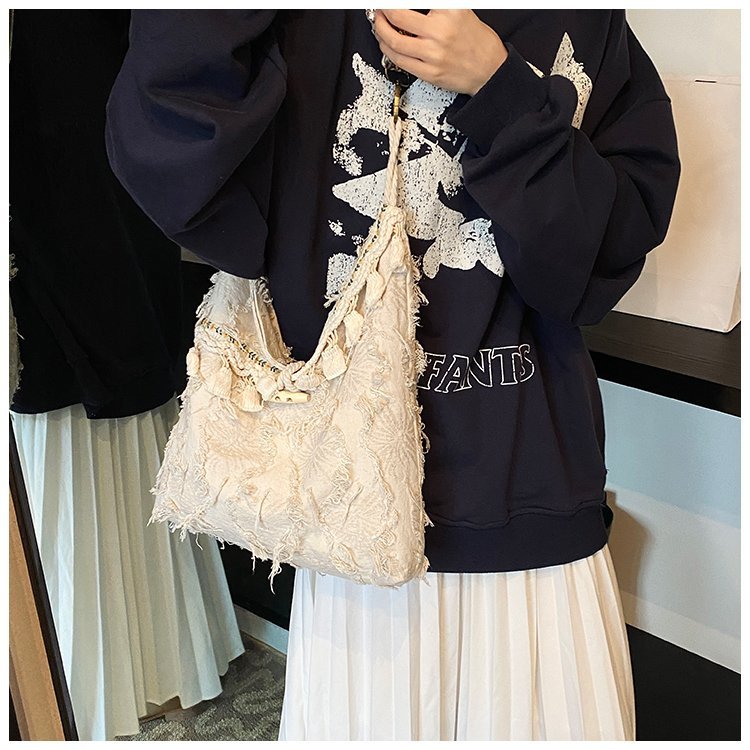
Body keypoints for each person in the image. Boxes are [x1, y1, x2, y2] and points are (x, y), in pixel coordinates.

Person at [105, 10, 680, 741]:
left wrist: (498, 87)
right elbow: (181, 175)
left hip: (529, 503)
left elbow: (598, 262)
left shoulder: (580, 20)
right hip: (350, 509)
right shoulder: (297, 24)